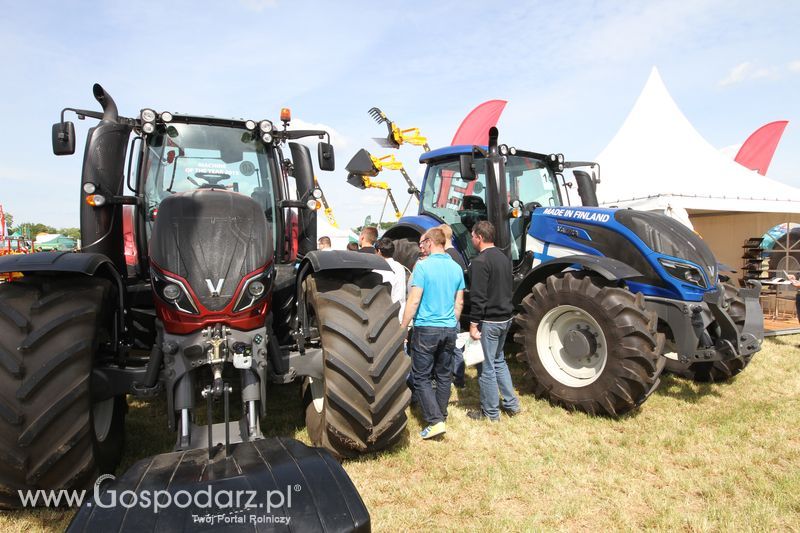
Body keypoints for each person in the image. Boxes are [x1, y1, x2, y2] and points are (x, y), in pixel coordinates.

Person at [401, 228, 464, 439]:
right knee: (444, 375)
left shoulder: (423, 267)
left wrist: (403, 327)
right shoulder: (456, 268)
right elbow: (459, 302)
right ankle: (441, 415)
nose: (420, 247)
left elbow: (414, 300)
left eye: (421, 243)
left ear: (430, 242)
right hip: (448, 328)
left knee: (421, 376)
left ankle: (435, 421)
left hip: (426, 328)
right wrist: (451, 323)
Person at [467, 220, 521, 421]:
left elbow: (478, 296)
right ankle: (512, 405)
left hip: (489, 321)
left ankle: (490, 413)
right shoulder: (504, 258)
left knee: (487, 368)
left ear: (479, 237)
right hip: (505, 318)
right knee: (499, 361)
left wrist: (473, 324)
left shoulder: (480, 262)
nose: (471, 239)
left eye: (472, 235)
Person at [439, 224, 468, 388]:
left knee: (453, 346)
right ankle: (458, 377)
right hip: (455, 306)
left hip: (449, 307)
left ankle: (457, 377)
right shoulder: (458, 255)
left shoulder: (448, 257)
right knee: (455, 345)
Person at [375, 237, 407, 319]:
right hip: (400, 311)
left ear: (378, 251)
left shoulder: (378, 268)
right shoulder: (400, 267)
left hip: (385, 313)